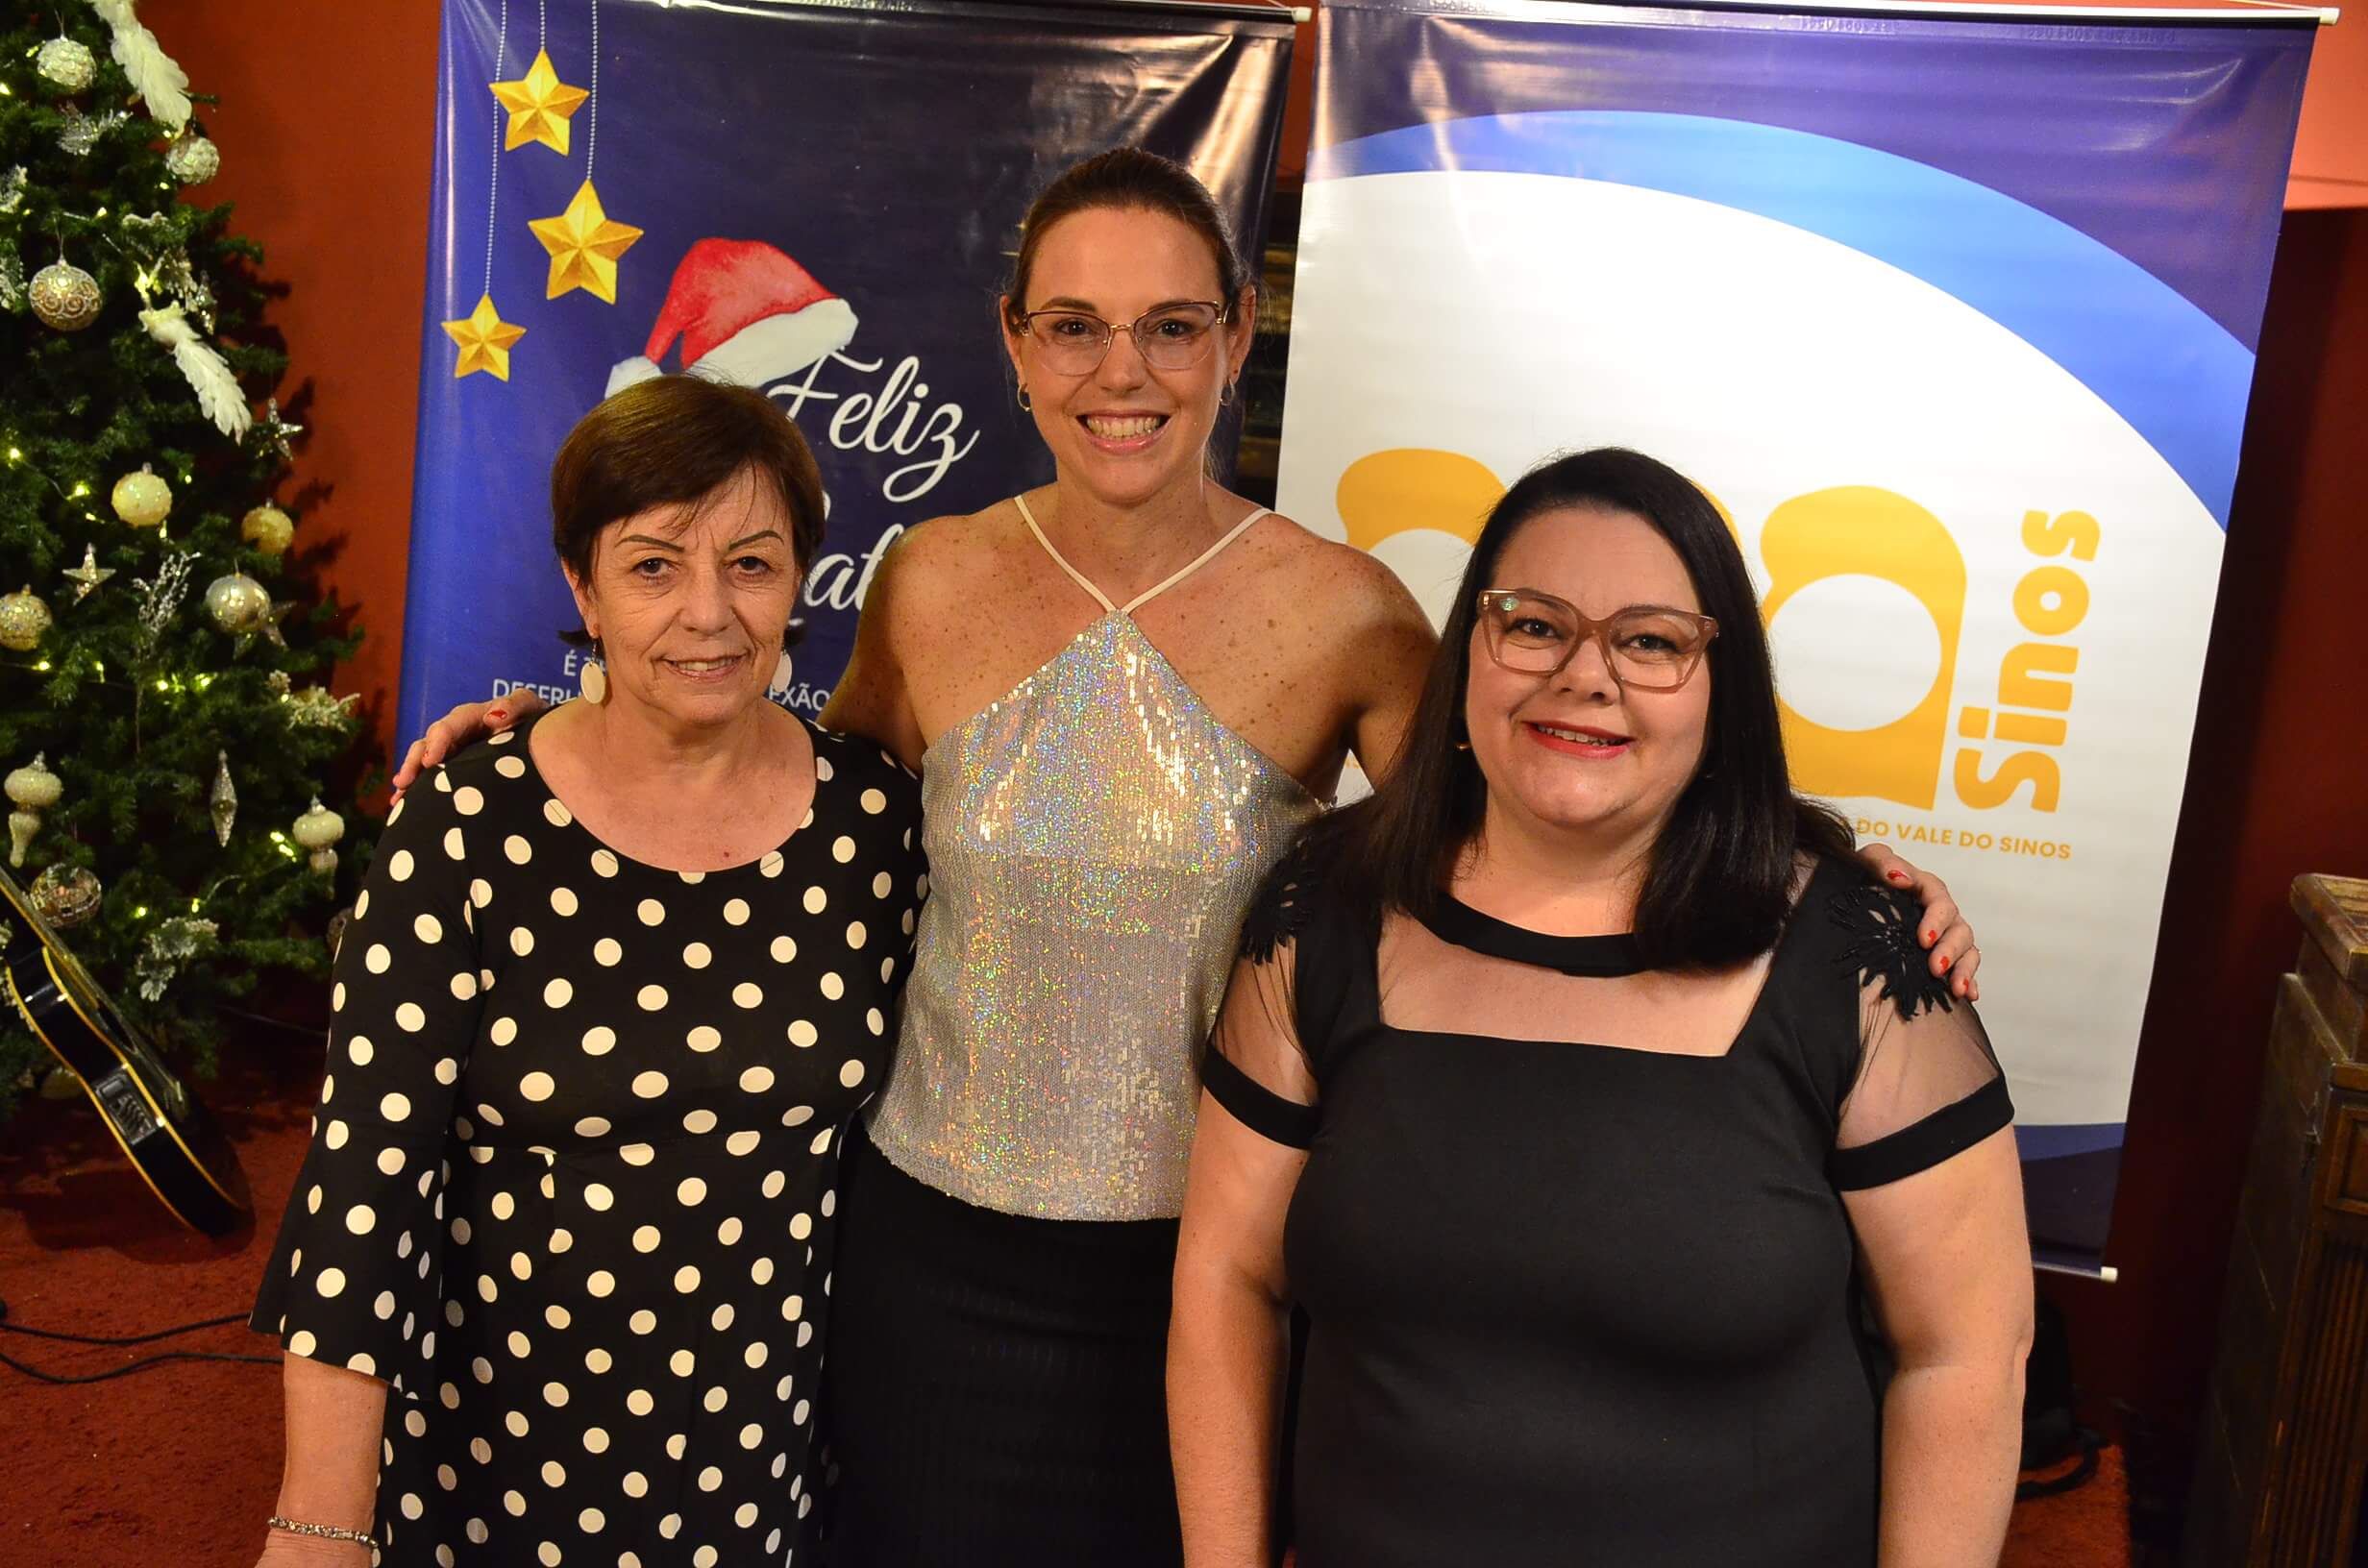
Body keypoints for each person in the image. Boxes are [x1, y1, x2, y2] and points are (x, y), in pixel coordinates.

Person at [392, 149, 1983, 1566]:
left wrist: (1822, 871)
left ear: (1234, 337)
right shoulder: (929, 577)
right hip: (924, 1257)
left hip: (1210, 1264)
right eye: (1074, 326)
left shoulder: (1346, 610)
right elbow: (807, 803)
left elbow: (1540, 805)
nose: (1122, 371)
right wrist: (566, 739)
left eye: (1169, 325)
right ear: (1016, 344)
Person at [1170, 447, 2032, 1568]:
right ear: (1468, 653)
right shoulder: (1322, 911)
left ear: (1722, 691)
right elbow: (1228, 1281)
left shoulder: (1854, 960)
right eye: (1534, 625)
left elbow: (1965, 1355)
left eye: (1650, 641)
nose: (1585, 675)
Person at [251, 375, 925, 1567]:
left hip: (762, 1472)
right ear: (583, 587)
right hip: (497, 1469)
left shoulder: (876, 825)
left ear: (801, 580)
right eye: (653, 567)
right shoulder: (467, 827)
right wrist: (318, 1525)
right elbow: (365, 1192)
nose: (708, 613)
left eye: (752, 564)